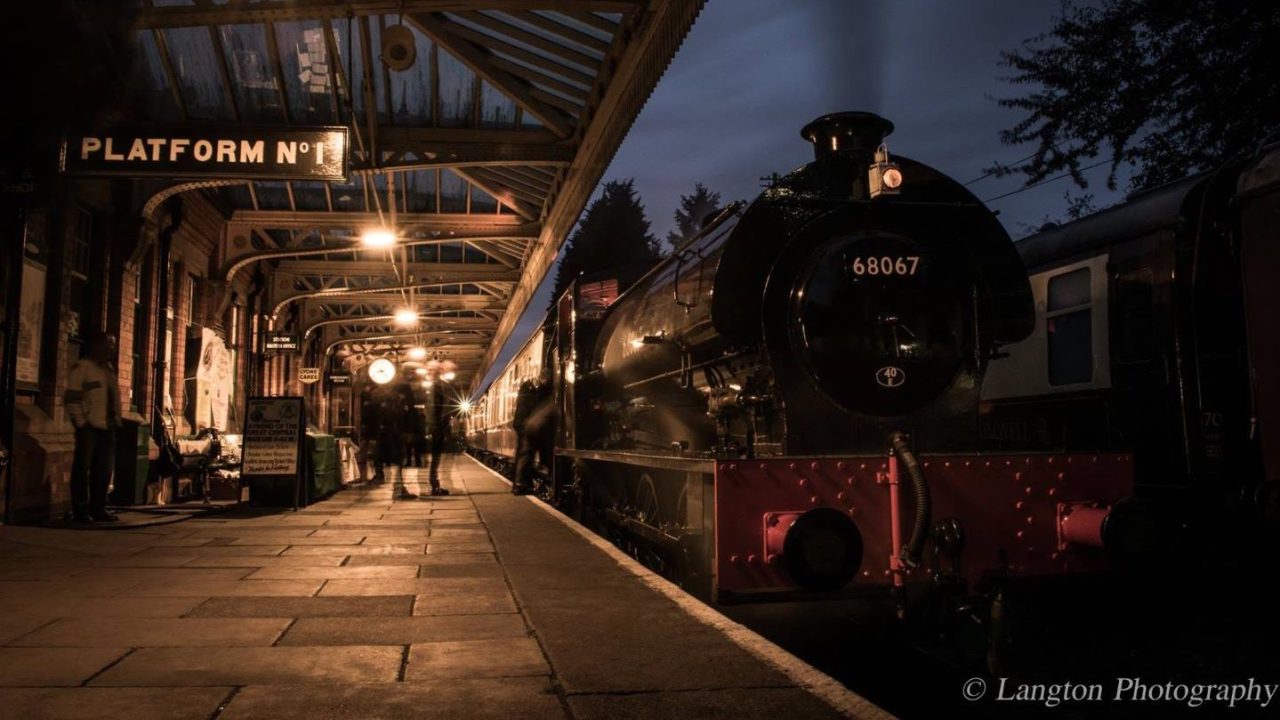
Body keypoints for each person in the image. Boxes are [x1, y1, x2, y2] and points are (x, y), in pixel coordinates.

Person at [64, 332, 122, 522]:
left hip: (108, 427)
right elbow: (72, 399)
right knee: (82, 468)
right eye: (108, 344)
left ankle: (98, 508)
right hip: (90, 426)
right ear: (97, 345)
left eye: (113, 345)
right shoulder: (83, 368)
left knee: (104, 470)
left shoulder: (108, 369)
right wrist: (82, 423)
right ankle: (80, 510)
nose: (112, 349)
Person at [512, 366, 555, 496]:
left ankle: (522, 484)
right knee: (526, 453)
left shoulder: (529, 386)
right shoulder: (533, 388)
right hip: (529, 425)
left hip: (527, 424)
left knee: (524, 454)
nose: (546, 382)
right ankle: (520, 485)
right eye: (546, 379)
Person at [423, 361, 453, 496]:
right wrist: (439, 427)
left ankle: (436, 484)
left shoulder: (436, 386)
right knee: (436, 458)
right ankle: (435, 486)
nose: (430, 373)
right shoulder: (438, 386)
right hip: (438, 428)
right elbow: (436, 409)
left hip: (437, 427)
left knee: (436, 458)